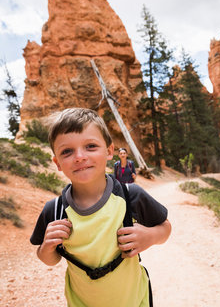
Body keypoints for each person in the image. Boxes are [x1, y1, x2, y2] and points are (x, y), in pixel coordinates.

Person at [30, 108, 171, 307]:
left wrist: (150, 236)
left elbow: (165, 228)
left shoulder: (131, 196)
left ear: (109, 151)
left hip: (134, 301)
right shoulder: (54, 211)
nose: (79, 156)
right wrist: (47, 246)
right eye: (67, 151)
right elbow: (49, 259)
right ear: (57, 162)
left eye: (90, 146)